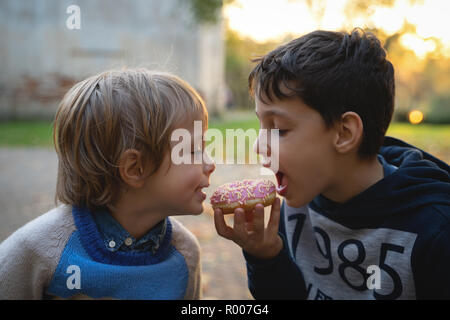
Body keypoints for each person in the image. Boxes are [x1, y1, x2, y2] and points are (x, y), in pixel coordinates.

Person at [214, 28, 450, 300]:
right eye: (260, 125)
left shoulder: (435, 233)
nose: (258, 145)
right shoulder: (294, 207)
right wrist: (266, 256)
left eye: (278, 129)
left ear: (344, 133)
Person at [0, 68, 215, 299]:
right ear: (134, 168)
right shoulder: (37, 252)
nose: (210, 163)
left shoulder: (185, 254)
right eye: (193, 150)